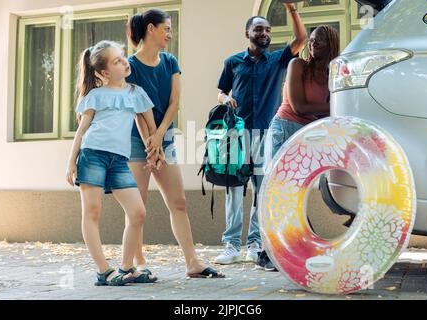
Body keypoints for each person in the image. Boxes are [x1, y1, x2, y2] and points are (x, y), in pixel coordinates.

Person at [125, 9, 225, 279]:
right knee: (139, 205)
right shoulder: (129, 66)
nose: (170, 33)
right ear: (150, 29)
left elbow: (174, 102)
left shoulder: (170, 61)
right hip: (137, 140)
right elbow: (136, 109)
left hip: (164, 136)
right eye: (166, 28)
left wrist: (159, 137)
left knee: (178, 201)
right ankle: (139, 262)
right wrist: (150, 141)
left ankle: (192, 262)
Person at [214, 2, 307, 265]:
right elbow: (221, 90)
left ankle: (254, 243)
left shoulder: (278, 59)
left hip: (268, 133)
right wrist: (224, 99)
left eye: (267, 29)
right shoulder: (232, 62)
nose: (264, 33)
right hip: (237, 132)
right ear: (247, 33)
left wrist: (291, 9)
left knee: (261, 190)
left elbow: (301, 39)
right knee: (233, 189)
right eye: (258, 29)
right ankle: (231, 245)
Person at [65, 40, 160, 286]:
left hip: (119, 160)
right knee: (92, 212)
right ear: (105, 72)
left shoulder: (136, 93)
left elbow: (151, 129)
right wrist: (71, 162)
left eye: (122, 57)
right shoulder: (95, 95)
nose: (124, 62)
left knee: (138, 212)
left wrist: (154, 154)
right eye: (117, 61)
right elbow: (81, 131)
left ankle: (126, 267)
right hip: (92, 153)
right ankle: (104, 271)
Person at [259, 25, 341, 271]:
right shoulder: (298, 66)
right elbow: (298, 107)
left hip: (308, 136)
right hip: (285, 129)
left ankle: (293, 246)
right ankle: (267, 251)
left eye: (321, 41)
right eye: (312, 40)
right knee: (277, 190)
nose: (314, 44)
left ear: (332, 44)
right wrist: (337, 107)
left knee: (297, 193)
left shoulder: (333, 74)